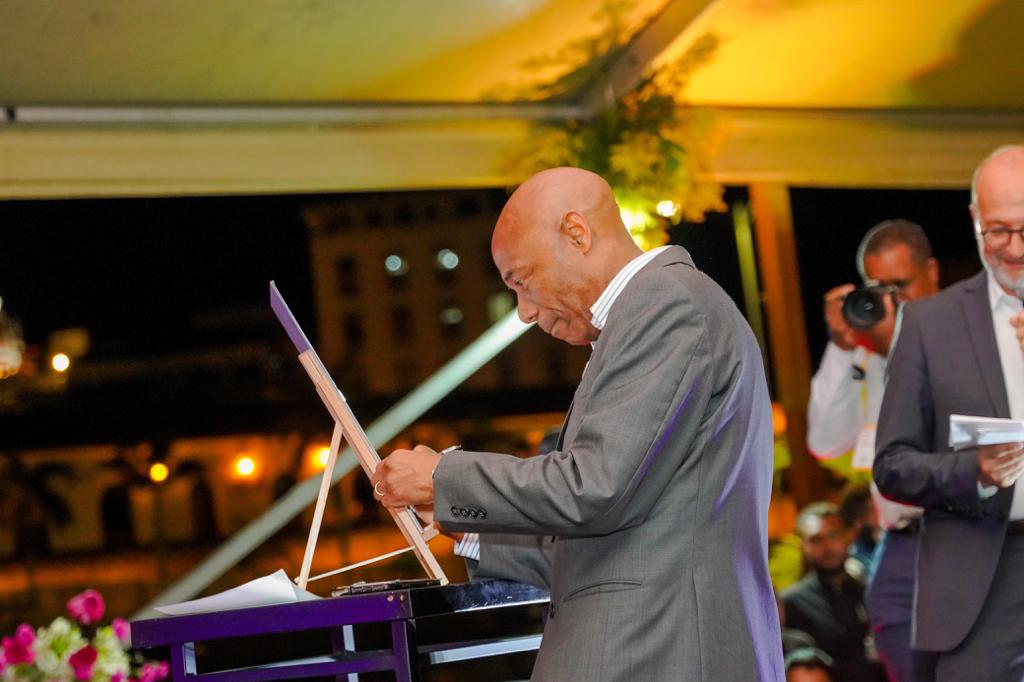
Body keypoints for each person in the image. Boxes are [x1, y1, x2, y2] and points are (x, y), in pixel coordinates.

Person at [372, 167, 784, 680]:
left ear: (577, 233)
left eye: (521, 281)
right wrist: (462, 525)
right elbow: (611, 543)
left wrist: (443, 476)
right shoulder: (655, 311)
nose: (523, 312)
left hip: (657, 653)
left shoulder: (666, 303)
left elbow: (595, 486)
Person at [873, 145, 1024, 681]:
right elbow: (891, 464)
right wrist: (973, 471)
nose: (1014, 249)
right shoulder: (929, 325)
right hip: (977, 586)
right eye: (998, 231)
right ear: (974, 220)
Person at [806, 219, 940, 681]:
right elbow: (824, 441)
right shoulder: (866, 350)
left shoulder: (965, 335)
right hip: (900, 540)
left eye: (901, 286)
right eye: (877, 288)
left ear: (933, 274)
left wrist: (896, 352)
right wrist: (843, 348)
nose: (891, 302)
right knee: (892, 628)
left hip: (966, 530)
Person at [780, 503, 886, 682]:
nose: (827, 546)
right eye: (816, 539)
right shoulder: (791, 603)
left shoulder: (871, 593)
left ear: (849, 536)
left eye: (833, 535)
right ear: (802, 546)